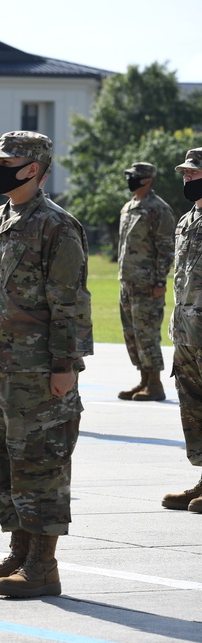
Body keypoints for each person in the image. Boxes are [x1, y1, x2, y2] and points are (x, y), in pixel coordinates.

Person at [0, 131, 92, 598]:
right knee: (3, 462)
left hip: (37, 369)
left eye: (7, 161)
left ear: (33, 168)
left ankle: (44, 565)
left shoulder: (57, 225)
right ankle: (19, 554)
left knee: (42, 463)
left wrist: (65, 365)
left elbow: (70, 302)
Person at [163, 148, 202, 514]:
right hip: (187, 330)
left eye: (193, 173)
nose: (187, 178)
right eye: (186, 173)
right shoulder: (188, 219)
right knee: (193, 407)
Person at [117, 161, 175, 401]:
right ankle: (143, 379)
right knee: (131, 334)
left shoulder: (158, 209)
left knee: (147, 334)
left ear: (148, 180)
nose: (131, 179)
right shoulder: (128, 207)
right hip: (127, 282)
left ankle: (155, 384)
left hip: (148, 284)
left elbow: (166, 249)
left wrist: (160, 282)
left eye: (135, 176)